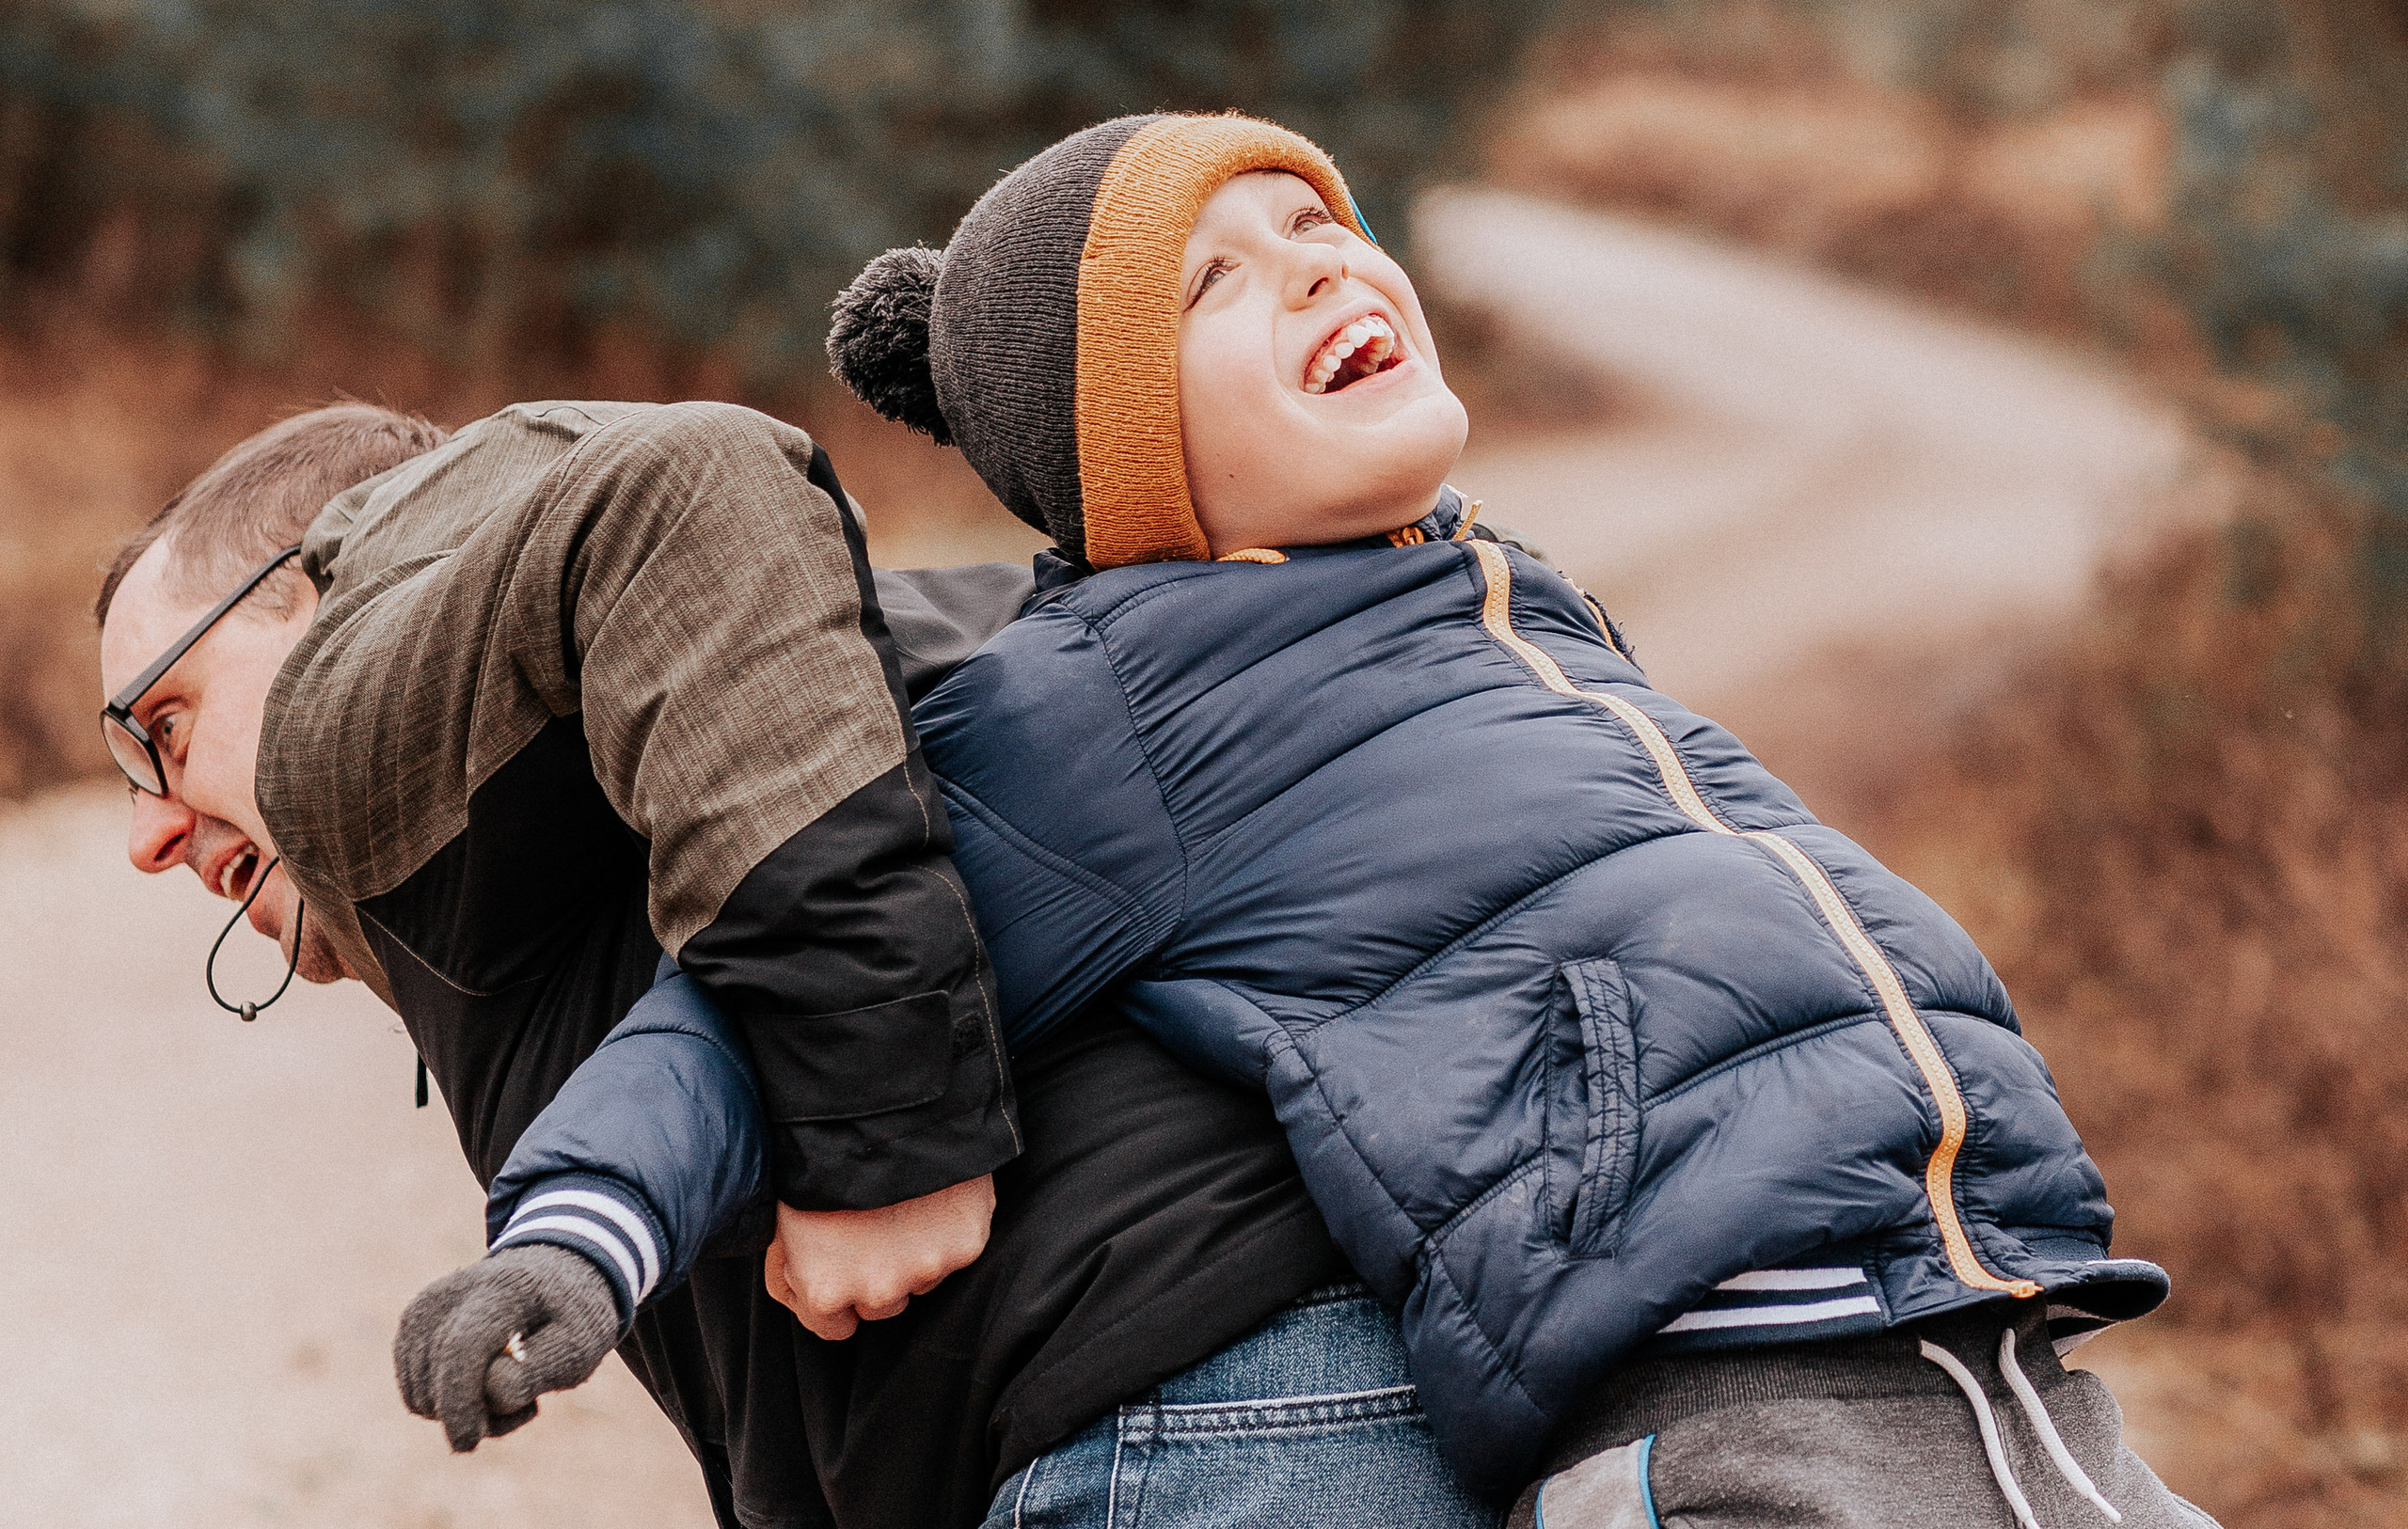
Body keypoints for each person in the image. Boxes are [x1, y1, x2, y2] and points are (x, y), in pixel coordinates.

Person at [466, 108, 2222, 1529]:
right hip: (1722, 1386)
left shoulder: (1515, 594)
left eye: (1316, 222)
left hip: (1990, 1335)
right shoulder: (1125, 692)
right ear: (1124, 452)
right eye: (1216, 280)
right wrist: (583, 1228)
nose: (1317, 267)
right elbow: (798, 966)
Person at [94, 390, 1435, 1529]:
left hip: (1170, 1425)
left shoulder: (353, 720)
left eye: (163, 721)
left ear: (339, 589)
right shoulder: (916, 646)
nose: (150, 832)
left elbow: (692, 479)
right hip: (1344, 1373)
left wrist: (886, 1123)